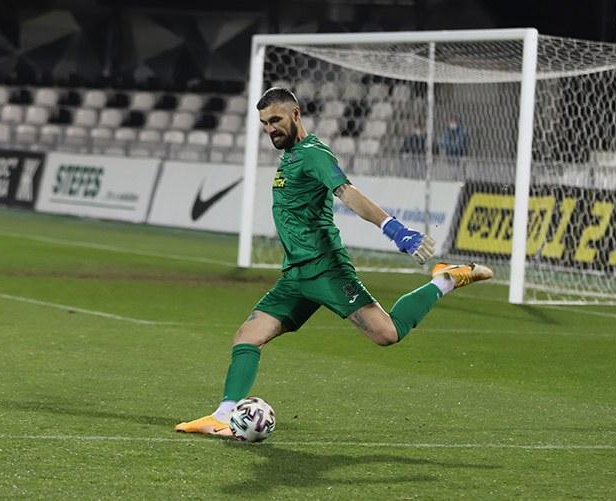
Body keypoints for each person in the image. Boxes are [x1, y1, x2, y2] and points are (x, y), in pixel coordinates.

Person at [175, 88, 492, 436]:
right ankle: (223, 416)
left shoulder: (314, 154)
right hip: (296, 274)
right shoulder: (291, 156)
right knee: (247, 338)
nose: (270, 129)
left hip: (325, 268)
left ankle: (445, 279)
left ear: (296, 114)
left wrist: (395, 230)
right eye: (264, 123)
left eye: (275, 120)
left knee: (387, 334)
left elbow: (347, 193)